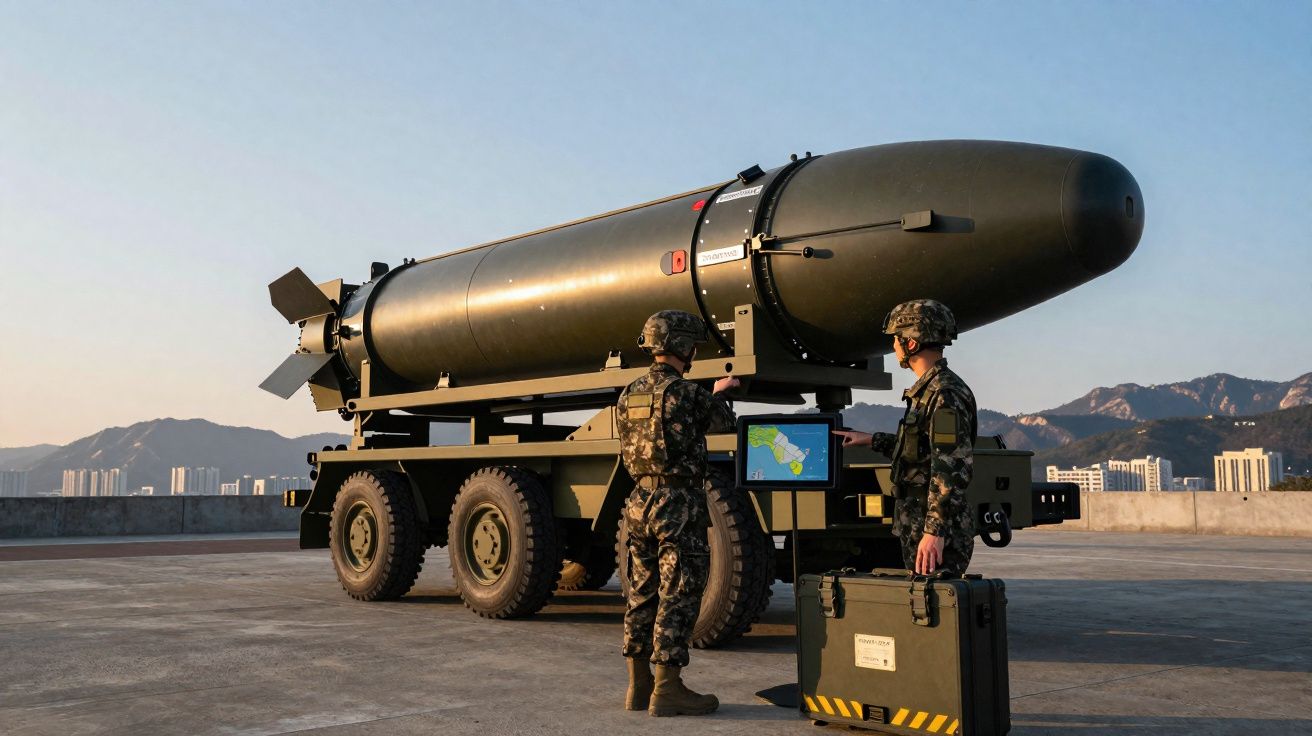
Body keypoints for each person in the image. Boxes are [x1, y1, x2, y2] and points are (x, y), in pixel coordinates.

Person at [615, 309, 739, 717]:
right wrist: (721, 391)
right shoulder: (686, 393)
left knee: (642, 591)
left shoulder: (628, 393)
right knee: (680, 593)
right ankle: (668, 688)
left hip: (639, 502)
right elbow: (721, 422)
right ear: (683, 347)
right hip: (677, 503)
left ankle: (638, 686)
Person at [833, 299, 978, 576]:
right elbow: (920, 450)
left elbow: (950, 467)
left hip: (933, 526)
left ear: (911, 343)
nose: (893, 347)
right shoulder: (928, 391)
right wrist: (871, 440)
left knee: (934, 608)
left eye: (896, 340)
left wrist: (934, 531)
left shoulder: (944, 394)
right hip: (917, 518)